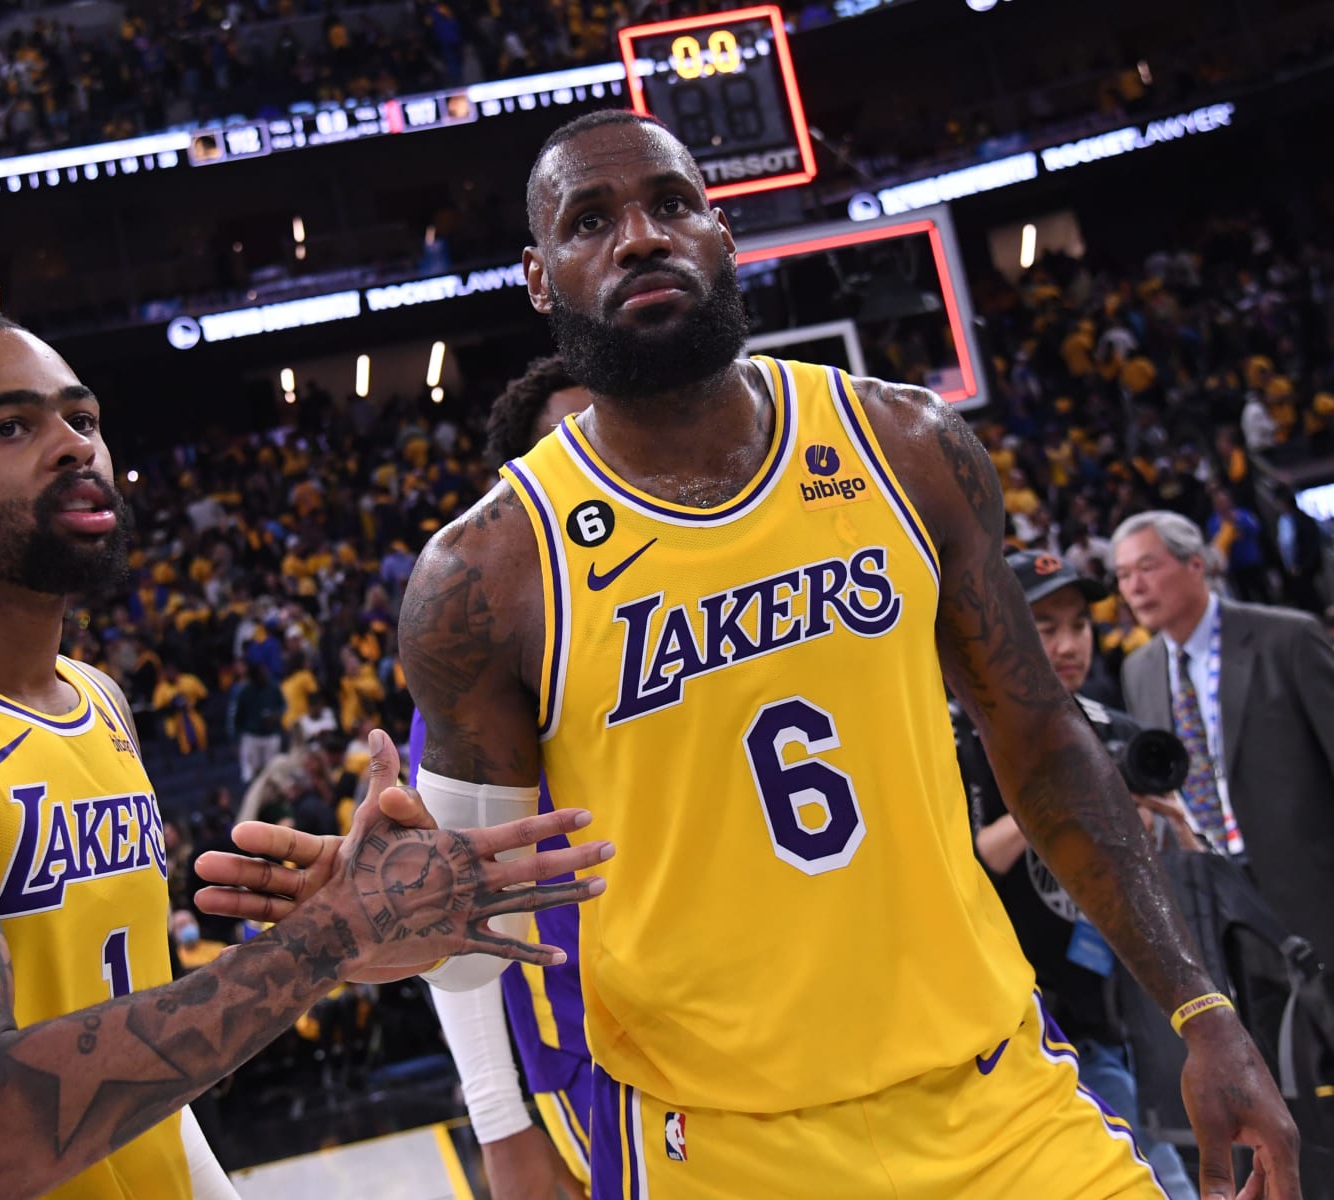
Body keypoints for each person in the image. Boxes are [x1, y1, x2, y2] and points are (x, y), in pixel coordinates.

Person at [212, 112, 1299, 1199]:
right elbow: (464, 924)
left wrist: (1202, 1012)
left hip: (996, 1096)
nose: (641, 236)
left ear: (723, 235)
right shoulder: (486, 576)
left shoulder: (907, 446)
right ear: (540, 280)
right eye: (591, 220)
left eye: (671, 204)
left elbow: (1044, 737)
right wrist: (377, 926)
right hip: (717, 1145)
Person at [0, 307, 609, 1199]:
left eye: (84, 418)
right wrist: (330, 934)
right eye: (10, 425)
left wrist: (338, 935)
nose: (74, 447)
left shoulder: (94, 701)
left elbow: (134, 1076)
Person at [956, 551, 1201, 1199]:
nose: (1068, 645)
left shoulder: (1114, 734)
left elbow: (1160, 880)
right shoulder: (955, 736)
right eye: (1044, 625)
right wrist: (1074, 794)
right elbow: (975, 861)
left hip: (1118, 1016)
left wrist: (1169, 830)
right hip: (1015, 1032)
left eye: (1079, 625)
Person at [420, 353, 596, 1199]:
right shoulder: (485, 646)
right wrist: (500, 1122)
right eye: (575, 443)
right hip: (598, 1058)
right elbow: (447, 913)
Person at [1113, 509, 1334, 987]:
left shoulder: (1288, 638)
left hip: (1312, 891)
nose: (1134, 587)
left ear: (1196, 564)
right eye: (1123, 575)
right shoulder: (1139, 669)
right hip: (1221, 902)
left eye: (1147, 568)